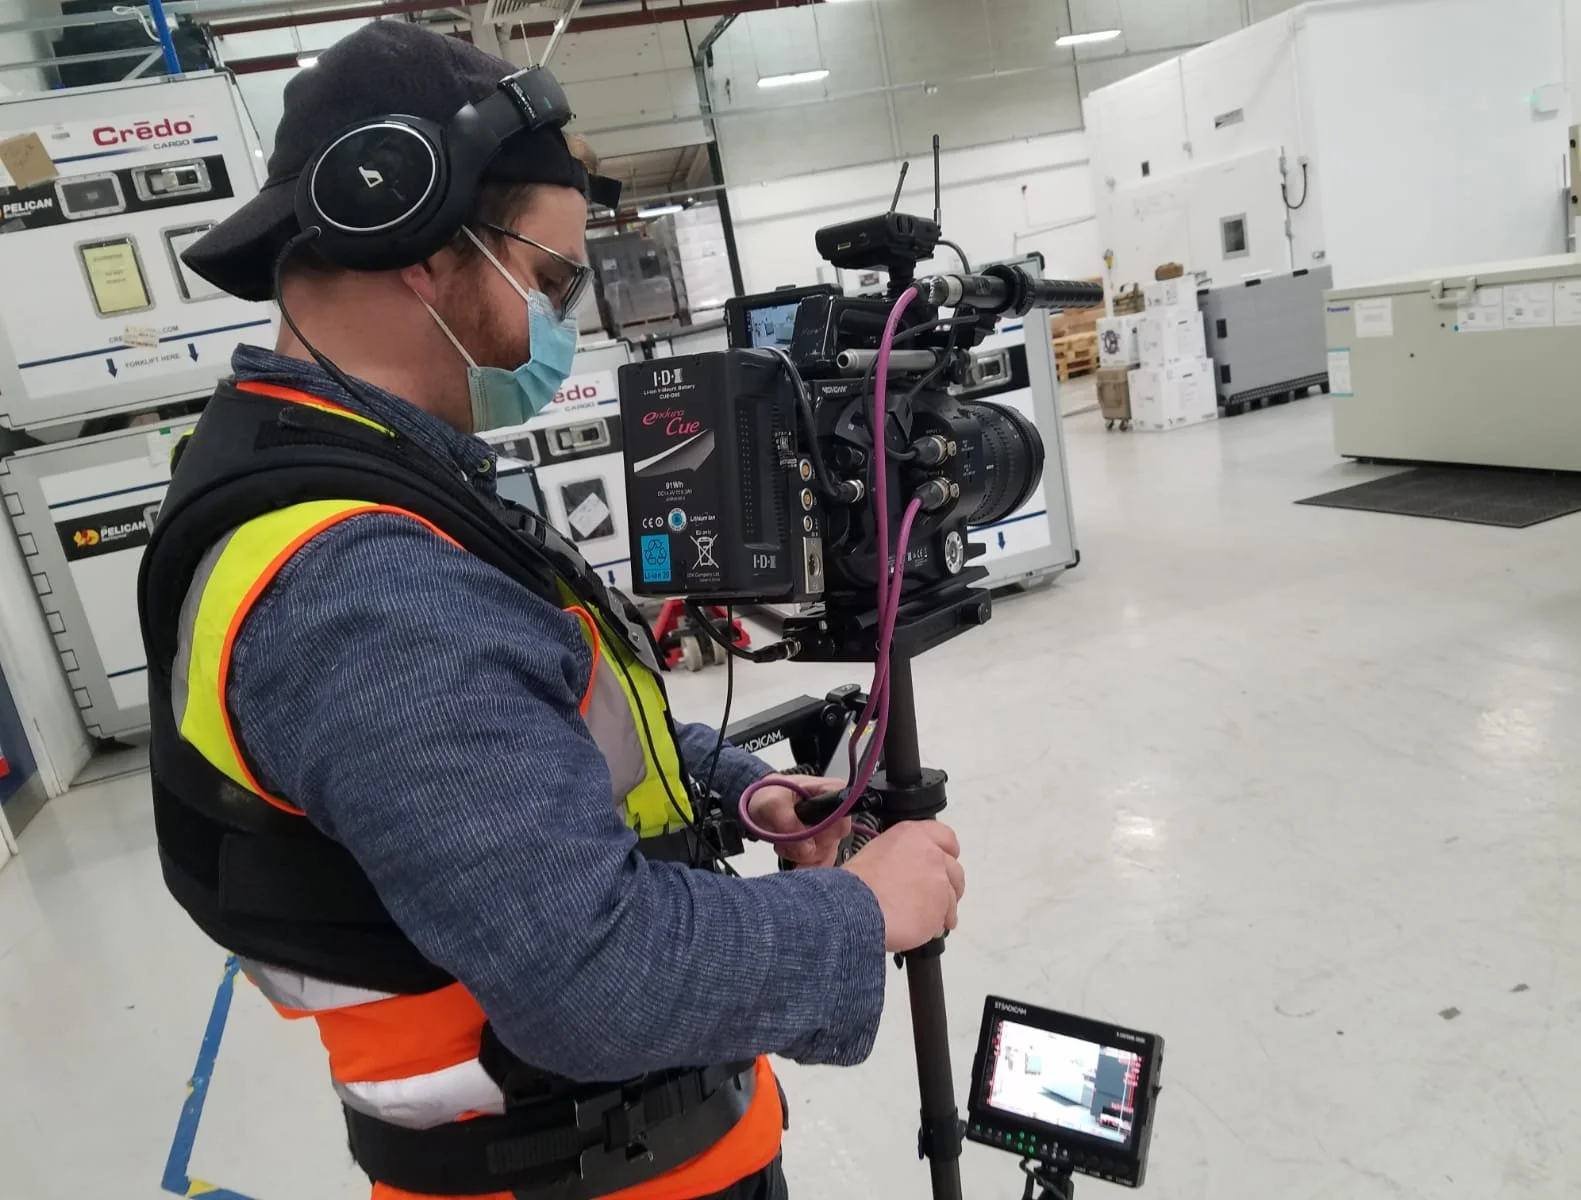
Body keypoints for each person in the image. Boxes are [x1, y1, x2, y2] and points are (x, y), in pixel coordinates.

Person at [136, 21, 964, 1200]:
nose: (562, 323)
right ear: (420, 246)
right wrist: (860, 915)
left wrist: (740, 790)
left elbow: (546, 728)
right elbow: (595, 980)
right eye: (553, 278)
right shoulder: (363, 585)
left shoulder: (363, 482)